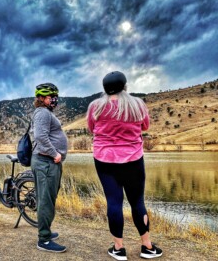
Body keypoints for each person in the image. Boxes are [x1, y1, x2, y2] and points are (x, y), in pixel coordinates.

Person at [86, 71, 163, 260]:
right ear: (125, 86)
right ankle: (147, 246)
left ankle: (118, 248)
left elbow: (91, 128)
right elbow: (145, 126)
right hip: (133, 159)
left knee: (114, 202)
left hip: (104, 160)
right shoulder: (137, 104)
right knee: (137, 202)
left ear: (104, 88)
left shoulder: (95, 106)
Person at [31, 83, 68, 253]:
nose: (54, 100)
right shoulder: (42, 113)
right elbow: (40, 136)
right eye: (51, 97)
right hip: (46, 162)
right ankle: (44, 240)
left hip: (48, 163)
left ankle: (46, 232)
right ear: (42, 98)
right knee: (45, 201)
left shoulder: (46, 113)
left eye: (55, 97)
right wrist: (55, 154)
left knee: (48, 199)